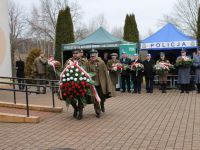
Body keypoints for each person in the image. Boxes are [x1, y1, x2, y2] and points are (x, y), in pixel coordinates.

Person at [87, 49, 113, 118]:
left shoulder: (101, 62)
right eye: (91, 55)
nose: (93, 56)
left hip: (101, 83)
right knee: (95, 98)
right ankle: (97, 111)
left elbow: (105, 73)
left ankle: (102, 104)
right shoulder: (88, 63)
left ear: (97, 55)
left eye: (94, 55)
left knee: (102, 96)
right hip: (93, 83)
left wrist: (107, 83)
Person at [64, 49, 88, 120]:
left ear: (79, 54)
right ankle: (75, 108)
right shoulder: (68, 61)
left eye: (76, 53)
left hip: (81, 82)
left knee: (81, 97)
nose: (75, 55)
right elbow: (64, 69)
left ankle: (80, 112)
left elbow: (87, 70)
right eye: (73, 53)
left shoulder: (84, 61)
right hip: (70, 82)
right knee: (70, 97)